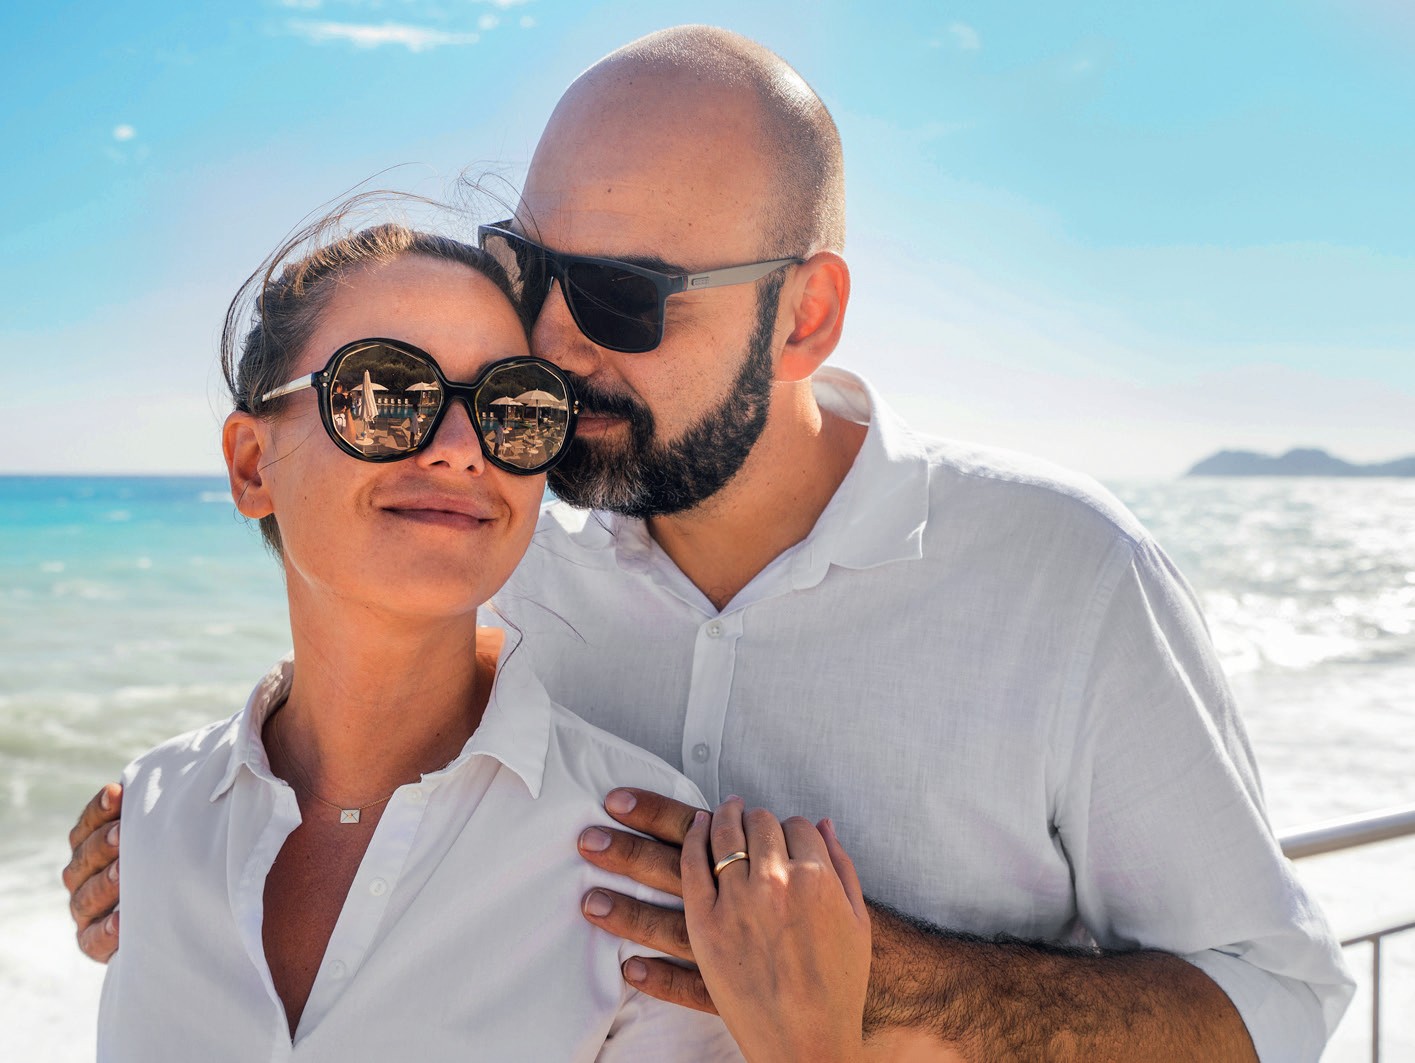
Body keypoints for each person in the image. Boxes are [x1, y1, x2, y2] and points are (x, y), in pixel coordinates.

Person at [67, 25, 1352, 1062]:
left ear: (804, 317)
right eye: (531, 269)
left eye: (623, 297)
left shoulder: (1063, 576)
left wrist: (902, 981)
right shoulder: (510, 539)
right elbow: (368, 687)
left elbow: (1279, 1004)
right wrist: (185, 824)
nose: (555, 342)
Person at [91, 220, 744, 1061]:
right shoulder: (148, 817)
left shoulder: (639, 867)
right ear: (253, 464)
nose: (463, 451)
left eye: (515, 409)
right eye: (384, 392)